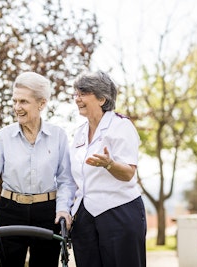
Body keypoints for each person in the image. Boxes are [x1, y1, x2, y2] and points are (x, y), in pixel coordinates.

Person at [0, 71, 76, 267]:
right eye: (15, 101)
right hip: (11, 210)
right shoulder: (4, 137)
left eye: (23, 101)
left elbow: (66, 180)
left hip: (47, 213)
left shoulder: (58, 136)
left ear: (42, 103)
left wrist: (63, 210)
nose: (17, 107)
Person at [69, 70, 146, 267]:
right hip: (85, 218)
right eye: (76, 94)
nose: (77, 99)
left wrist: (109, 164)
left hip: (119, 213)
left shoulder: (121, 126)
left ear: (102, 99)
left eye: (83, 93)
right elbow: (73, 178)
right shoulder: (78, 134)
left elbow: (128, 173)